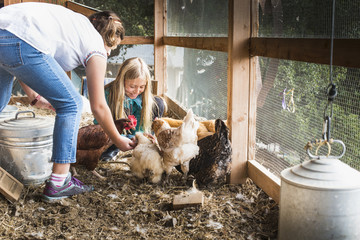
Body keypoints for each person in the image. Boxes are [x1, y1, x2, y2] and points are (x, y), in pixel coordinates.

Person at [0, 2, 136, 202]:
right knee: (72, 104)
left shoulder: (74, 25)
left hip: (7, 32)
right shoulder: (96, 45)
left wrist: (34, 97)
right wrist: (117, 139)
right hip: (21, 40)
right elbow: (98, 106)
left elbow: (18, 58)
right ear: (106, 38)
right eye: (111, 47)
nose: (108, 53)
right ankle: (59, 182)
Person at [94, 57, 166, 161]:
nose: (136, 91)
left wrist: (138, 136)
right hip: (114, 136)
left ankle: (144, 145)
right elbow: (99, 124)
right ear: (121, 80)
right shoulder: (107, 94)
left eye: (142, 86)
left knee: (158, 103)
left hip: (134, 136)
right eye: (132, 86)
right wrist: (120, 138)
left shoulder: (142, 97)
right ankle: (112, 149)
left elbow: (140, 121)